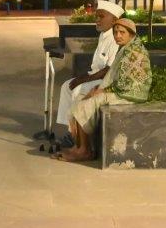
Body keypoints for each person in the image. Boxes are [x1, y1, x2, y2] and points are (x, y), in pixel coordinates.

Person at [58, 16, 151, 162]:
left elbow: (127, 83)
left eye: (122, 32)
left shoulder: (134, 52)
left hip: (130, 94)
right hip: (120, 91)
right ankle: (79, 146)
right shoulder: (127, 48)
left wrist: (103, 91)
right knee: (81, 99)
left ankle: (85, 151)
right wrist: (98, 87)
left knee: (85, 105)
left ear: (131, 34)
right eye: (115, 32)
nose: (118, 36)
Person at [55, 1, 121, 136]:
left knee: (77, 91)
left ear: (114, 20)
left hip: (106, 80)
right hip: (95, 76)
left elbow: (108, 70)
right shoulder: (103, 35)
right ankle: (70, 131)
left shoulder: (115, 38)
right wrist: (83, 78)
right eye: (96, 16)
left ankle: (78, 135)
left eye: (101, 16)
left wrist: (83, 79)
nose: (97, 20)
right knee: (66, 87)